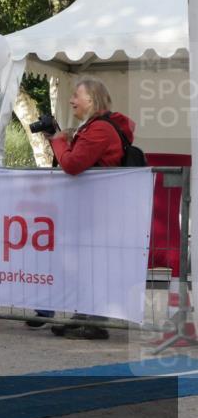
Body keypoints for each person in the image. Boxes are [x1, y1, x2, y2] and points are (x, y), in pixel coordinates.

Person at [36, 77, 136, 340]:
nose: (71, 100)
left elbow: (72, 164)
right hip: (97, 207)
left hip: (99, 209)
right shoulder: (96, 127)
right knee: (87, 265)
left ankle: (94, 321)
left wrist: (58, 141)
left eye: (75, 96)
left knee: (93, 265)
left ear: (91, 99)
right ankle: (84, 316)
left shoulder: (99, 129)